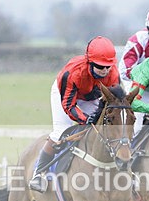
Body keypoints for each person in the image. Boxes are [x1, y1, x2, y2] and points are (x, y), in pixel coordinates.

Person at [28, 36, 120, 192]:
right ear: (89, 62)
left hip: (91, 96)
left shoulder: (113, 74)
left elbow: (112, 102)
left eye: (108, 67)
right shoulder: (72, 73)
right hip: (65, 95)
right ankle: (39, 173)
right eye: (100, 66)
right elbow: (69, 106)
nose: (105, 71)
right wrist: (85, 119)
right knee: (60, 132)